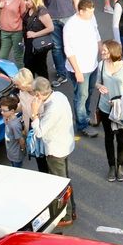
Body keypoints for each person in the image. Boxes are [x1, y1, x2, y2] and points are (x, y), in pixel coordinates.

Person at [32, 77, 77, 226]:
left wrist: (34, 115)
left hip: (55, 149)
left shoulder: (52, 109)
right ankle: (72, 209)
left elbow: (39, 132)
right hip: (65, 144)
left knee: (60, 184)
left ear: (39, 94)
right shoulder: (59, 96)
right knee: (65, 179)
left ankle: (67, 215)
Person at [35, 0, 82, 84]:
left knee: (71, 45)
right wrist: (43, 16)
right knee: (56, 47)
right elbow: (39, 0)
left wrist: (78, 14)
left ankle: (75, 67)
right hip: (52, 19)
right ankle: (62, 73)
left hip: (69, 17)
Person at [95, 39, 123, 181]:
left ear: (113, 52)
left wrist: (120, 101)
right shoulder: (101, 65)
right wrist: (99, 87)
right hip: (105, 107)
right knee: (108, 137)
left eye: (105, 50)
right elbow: (97, 82)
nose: (102, 52)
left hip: (120, 110)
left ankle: (120, 166)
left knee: (120, 137)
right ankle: (111, 166)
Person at [63, 0, 102, 138]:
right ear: (80, 11)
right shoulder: (71, 26)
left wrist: (102, 50)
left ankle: (84, 117)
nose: (92, 15)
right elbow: (69, 51)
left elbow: (97, 34)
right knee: (81, 96)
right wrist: (77, 71)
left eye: (93, 12)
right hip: (80, 68)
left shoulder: (91, 18)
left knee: (89, 92)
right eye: (89, 13)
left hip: (92, 65)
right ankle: (82, 125)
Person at [0, 0, 26, 65]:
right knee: (2, 57)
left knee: (18, 57)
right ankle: (3, 77)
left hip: (17, 32)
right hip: (4, 30)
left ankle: (23, 77)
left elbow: (23, 15)